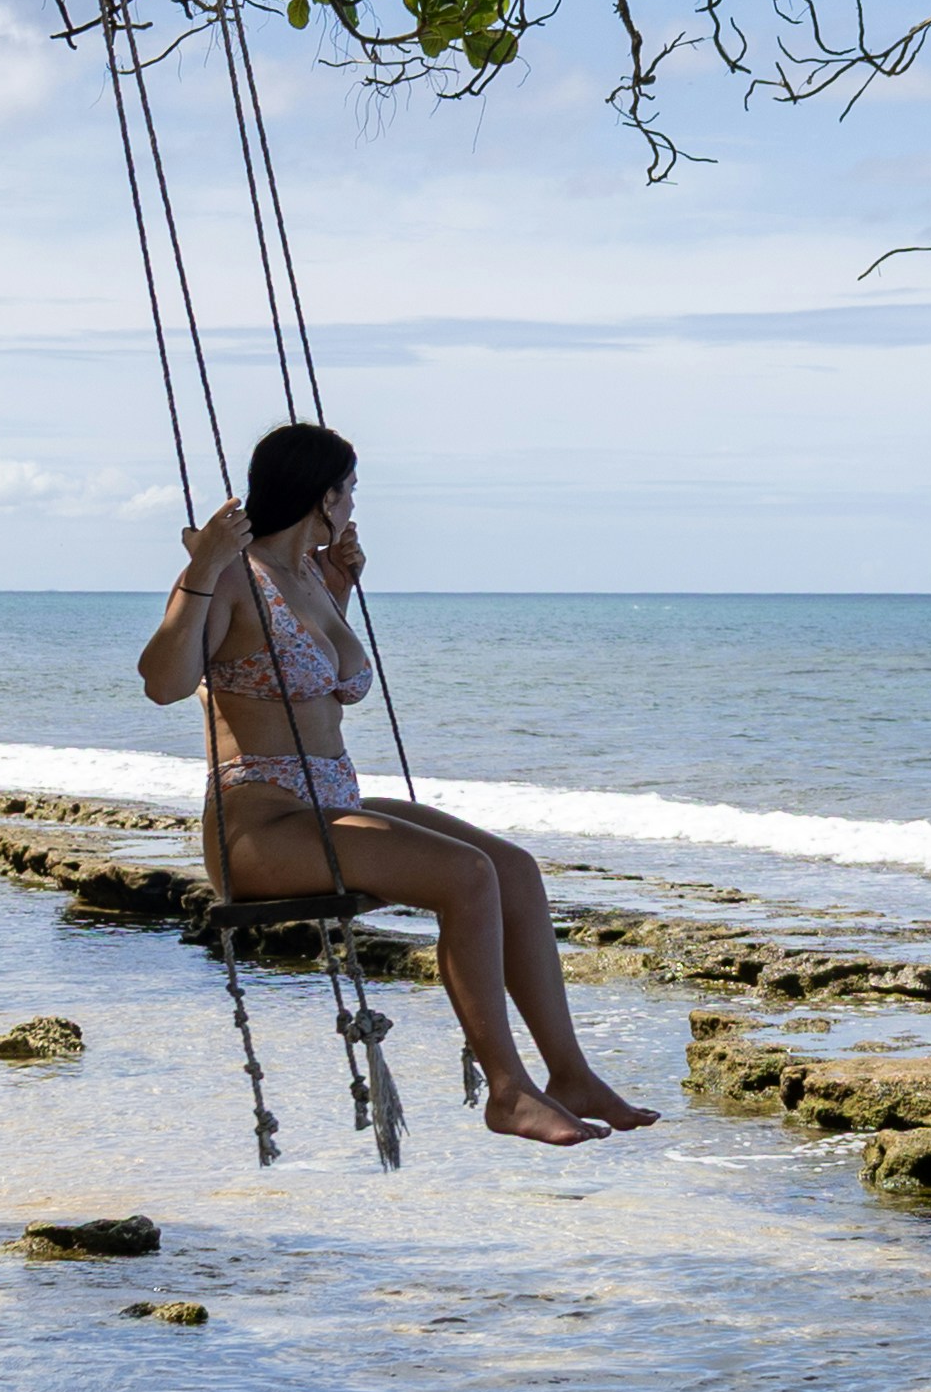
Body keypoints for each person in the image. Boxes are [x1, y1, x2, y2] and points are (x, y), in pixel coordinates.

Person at [134, 422, 654, 1148]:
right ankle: (509, 1092)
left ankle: (570, 1073)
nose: (353, 509)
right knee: (466, 877)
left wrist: (339, 589)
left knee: (513, 869)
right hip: (259, 829)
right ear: (325, 497)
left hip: (327, 810)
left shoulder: (309, 578)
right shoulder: (230, 577)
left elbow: (303, 678)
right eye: (349, 493)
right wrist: (203, 567)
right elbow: (163, 683)